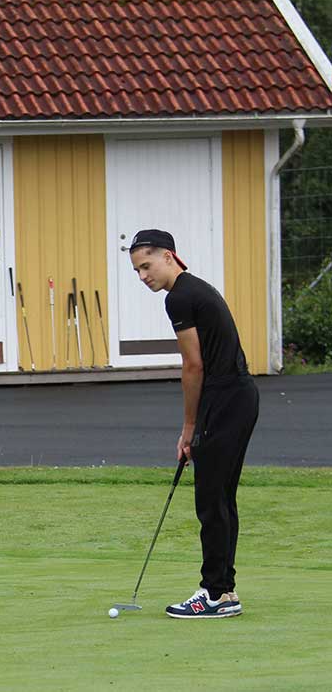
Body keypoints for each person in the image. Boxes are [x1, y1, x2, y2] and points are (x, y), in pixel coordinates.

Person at [129, 230, 259, 619]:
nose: (143, 276)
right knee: (221, 498)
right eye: (137, 271)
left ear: (168, 257)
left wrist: (189, 427)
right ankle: (225, 591)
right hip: (238, 396)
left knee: (211, 499)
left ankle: (215, 594)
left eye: (146, 266)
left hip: (225, 399)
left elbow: (193, 366)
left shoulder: (179, 297)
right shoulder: (196, 289)